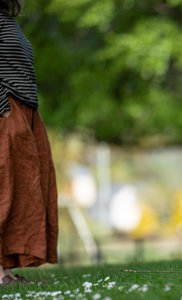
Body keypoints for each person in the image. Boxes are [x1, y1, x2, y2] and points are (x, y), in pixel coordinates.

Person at [0, 0, 58, 285]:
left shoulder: (6, 21)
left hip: (24, 112)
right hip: (7, 114)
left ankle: (5, 272)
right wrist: (3, 108)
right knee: (3, 193)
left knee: (18, 195)